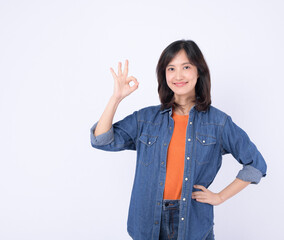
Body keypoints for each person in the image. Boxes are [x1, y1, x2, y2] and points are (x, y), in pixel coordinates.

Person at [90, 39, 267, 240]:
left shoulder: (218, 123)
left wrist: (219, 197)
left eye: (186, 67)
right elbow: (101, 140)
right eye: (171, 68)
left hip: (193, 223)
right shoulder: (146, 119)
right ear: (164, 75)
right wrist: (116, 98)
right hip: (148, 222)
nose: (178, 75)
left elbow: (255, 165)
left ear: (198, 71)